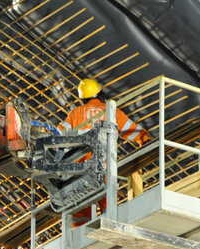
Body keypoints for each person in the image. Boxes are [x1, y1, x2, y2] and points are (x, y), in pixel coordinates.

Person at [59, 78, 153, 225]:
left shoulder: (75, 114)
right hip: (105, 170)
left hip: (79, 173)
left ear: (82, 98)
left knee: (81, 212)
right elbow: (136, 133)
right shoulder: (113, 112)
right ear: (100, 93)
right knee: (109, 208)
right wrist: (146, 142)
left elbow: (58, 135)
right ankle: (110, 226)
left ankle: (80, 238)